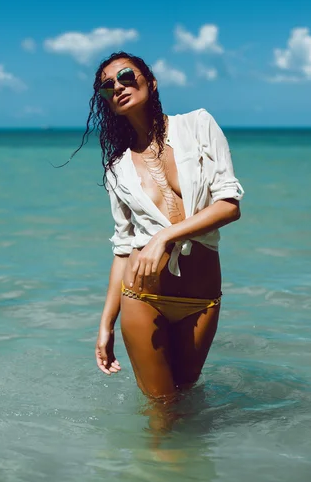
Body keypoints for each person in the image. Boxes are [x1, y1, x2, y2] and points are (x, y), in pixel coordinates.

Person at [86, 51, 244, 401]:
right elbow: (123, 249)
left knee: (186, 400)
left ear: (150, 82)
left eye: (126, 75)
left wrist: (165, 236)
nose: (118, 87)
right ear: (107, 102)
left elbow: (229, 206)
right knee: (162, 412)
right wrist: (105, 325)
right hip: (142, 297)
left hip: (201, 300)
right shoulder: (118, 170)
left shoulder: (199, 125)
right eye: (107, 87)